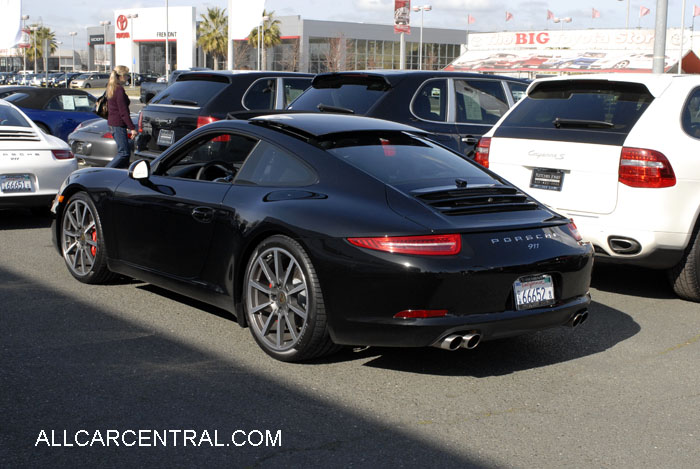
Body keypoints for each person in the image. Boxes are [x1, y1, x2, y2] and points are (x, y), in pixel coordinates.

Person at [105, 65, 137, 168]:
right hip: (118, 124)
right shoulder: (119, 90)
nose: (128, 77)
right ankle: (104, 172)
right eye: (127, 75)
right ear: (121, 76)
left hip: (114, 123)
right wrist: (132, 128)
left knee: (126, 152)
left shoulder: (111, 87)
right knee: (123, 153)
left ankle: (122, 174)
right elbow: (123, 112)